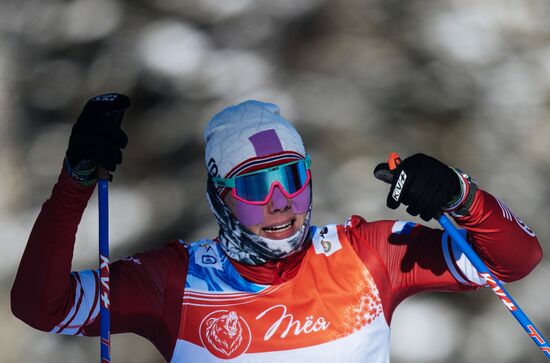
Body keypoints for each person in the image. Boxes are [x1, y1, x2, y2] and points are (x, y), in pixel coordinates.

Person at [11, 94, 543, 362]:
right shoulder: (174, 282)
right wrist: (74, 184)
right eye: (253, 187)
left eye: (292, 178)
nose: (279, 203)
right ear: (219, 198)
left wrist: (459, 194)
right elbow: (41, 306)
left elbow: (516, 261)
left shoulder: (365, 257)